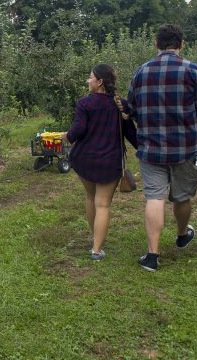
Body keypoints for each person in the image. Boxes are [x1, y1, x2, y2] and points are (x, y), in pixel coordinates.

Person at [128, 24, 197, 272]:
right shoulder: (195, 71)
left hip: (151, 151)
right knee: (182, 197)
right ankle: (182, 234)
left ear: (156, 44)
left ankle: (152, 256)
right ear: (181, 44)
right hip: (184, 149)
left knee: (154, 198)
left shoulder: (140, 72)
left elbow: (131, 110)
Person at [64, 64, 137, 261]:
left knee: (90, 197)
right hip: (110, 162)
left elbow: (77, 131)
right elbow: (131, 133)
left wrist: (66, 136)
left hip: (84, 160)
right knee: (103, 204)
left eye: (90, 77)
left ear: (100, 82)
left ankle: (94, 236)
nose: (88, 81)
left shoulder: (85, 103)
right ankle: (96, 249)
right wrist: (145, 149)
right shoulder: (120, 104)